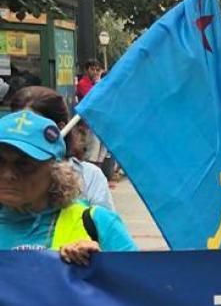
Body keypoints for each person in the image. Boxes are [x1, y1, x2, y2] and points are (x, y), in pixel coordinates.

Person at [0, 110, 135, 262]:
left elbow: (139, 281)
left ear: (55, 171)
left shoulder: (97, 224)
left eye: (24, 164)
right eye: (0, 162)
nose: (7, 174)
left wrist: (100, 266)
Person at [10, 87, 113, 210]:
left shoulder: (89, 177)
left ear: (59, 129)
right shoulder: (6, 175)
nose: (22, 132)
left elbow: (104, 225)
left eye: (33, 128)